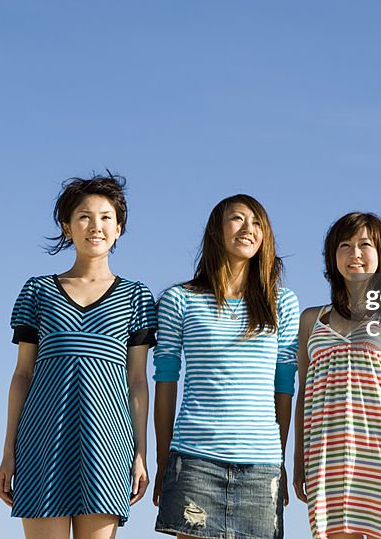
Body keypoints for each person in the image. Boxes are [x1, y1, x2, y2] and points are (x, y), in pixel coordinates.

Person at [0, 173, 157, 539]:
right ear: (67, 227)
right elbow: (22, 375)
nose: (95, 226)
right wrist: (8, 453)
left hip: (108, 444)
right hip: (42, 440)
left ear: (118, 229)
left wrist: (140, 452)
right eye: (84, 216)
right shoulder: (37, 291)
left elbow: (137, 381)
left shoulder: (137, 297)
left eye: (106, 217)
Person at [152, 194, 299, 539]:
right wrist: (163, 461)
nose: (248, 228)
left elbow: (284, 387)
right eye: (238, 219)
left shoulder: (283, 303)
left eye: (257, 222)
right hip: (194, 460)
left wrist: (279, 462)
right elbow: (165, 381)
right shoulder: (180, 299)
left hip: (261, 465)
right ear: (217, 231)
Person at [293, 213, 381, 539]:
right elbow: (303, 393)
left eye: (365, 245)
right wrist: (298, 459)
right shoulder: (312, 319)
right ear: (332, 256)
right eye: (345, 245)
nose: (355, 253)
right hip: (327, 453)